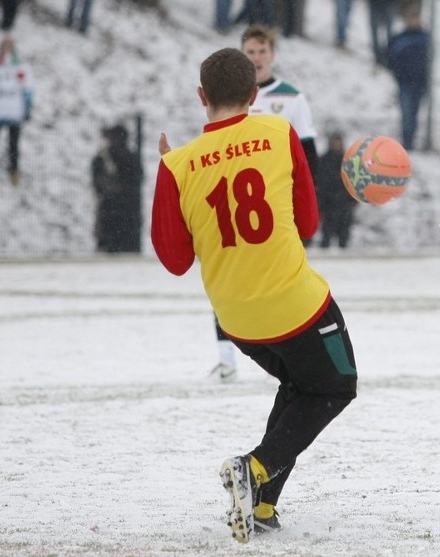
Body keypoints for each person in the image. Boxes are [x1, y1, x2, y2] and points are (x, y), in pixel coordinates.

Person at [151, 47, 358, 543]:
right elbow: (309, 223)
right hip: (296, 304)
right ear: (253, 95)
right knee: (337, 384)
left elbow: (176, 260)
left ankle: (262, 503)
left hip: (237, 321)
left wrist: (169, 180)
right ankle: (254, 467)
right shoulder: (277, 132)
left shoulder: (177, 165)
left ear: (202, 97)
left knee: (300, 386)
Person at [204, 23, 321, 382]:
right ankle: (226, 359)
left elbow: (309, 156)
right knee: (227, 279)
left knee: (282, 281)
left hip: (277, 208)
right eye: (249, 52)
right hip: (235, 205)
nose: (256, 58)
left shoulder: (291, 98)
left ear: (272, 55)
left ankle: (289, 356)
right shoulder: (226, 97)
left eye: (261, 52)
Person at [0, 36, 34, 187]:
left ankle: (14, 171)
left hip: (14, 111)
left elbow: (28, 89)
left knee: (13, 143)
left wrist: (27, 109)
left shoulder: (21, 68)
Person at [91, 123, 143, 253]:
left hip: (111, 209)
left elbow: (97, 181)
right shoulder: (130, 157)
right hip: (126, 211)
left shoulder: (104, 158)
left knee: (111, 244)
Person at [387, 6, 429, 151]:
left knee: (414, 114)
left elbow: (428, 61)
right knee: (406, 114)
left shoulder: (424, 38)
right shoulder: (401, 38)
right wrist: (399, 75)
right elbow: (392, 58)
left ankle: (410, 141)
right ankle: (406, 141)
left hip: (419, 83)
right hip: (405, 83)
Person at [316, 131, 357, 248]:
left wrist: (351, 202)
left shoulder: (348, 162)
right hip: (328, 206)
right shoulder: (323, 161)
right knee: (325, 238)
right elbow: (319, 183)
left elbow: (354, 183)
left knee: (344, 238)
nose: (336, 145)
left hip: (344, 206)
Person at [368, 0, 397, 66]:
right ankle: (377, 56)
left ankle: (388, 56)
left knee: (389, 32)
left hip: (389, 3)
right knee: (375, 31)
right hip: (375, 4)